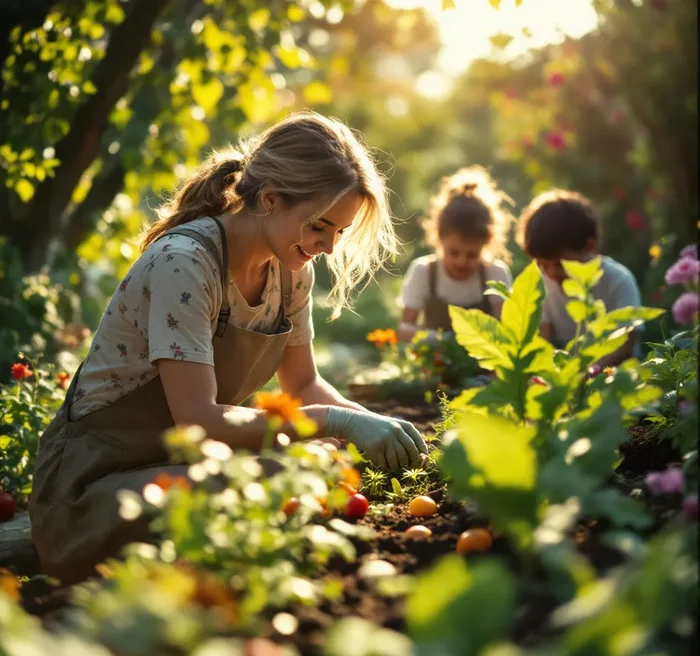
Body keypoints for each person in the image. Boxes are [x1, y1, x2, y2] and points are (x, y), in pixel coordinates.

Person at [29, 111, 427, 583]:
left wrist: (372, 426)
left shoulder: (291, 271)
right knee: (282, 476)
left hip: (181, 467)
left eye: (339, 233)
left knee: (320, 461)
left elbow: (303, 386)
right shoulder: (186, 265)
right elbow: (200, 422)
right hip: (91, 489)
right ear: (271, 199)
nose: (329, 246)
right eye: (320, 226)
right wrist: (338, 421)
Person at [517, 188, 642, 363]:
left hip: (616, 374)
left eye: (560, 264)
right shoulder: (543, 284)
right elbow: (541, 340)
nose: (552, 273)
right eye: (543, 264)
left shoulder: (618, 280)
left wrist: (586, 372)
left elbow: (625, 346)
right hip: (575, 372)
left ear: (589, 246)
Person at [397, 166, 513, 342]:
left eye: (472, 255)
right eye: (454, 252)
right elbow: (405, 328)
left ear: (486, 244)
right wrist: (437, 340)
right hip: (435, 363)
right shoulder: (424, 272)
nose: (461, 261)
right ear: (439, 238)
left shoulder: (494, 274)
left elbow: (507, 331)